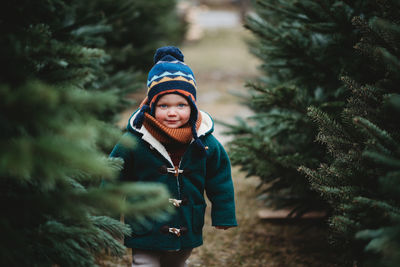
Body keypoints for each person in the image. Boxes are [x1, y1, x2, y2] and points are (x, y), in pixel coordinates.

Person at [109, 46, 237, 267]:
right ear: (150, 106)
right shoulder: (136, 140)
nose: (172, 112)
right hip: (145, 224)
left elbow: (219, 178)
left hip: (185, 223)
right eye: (163, 105)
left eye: (181, 105)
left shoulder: (204, 142)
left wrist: (224, 214)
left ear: (193, 107)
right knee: (144, 262)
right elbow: (112, 175)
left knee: (177, 261)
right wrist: (108, 217)